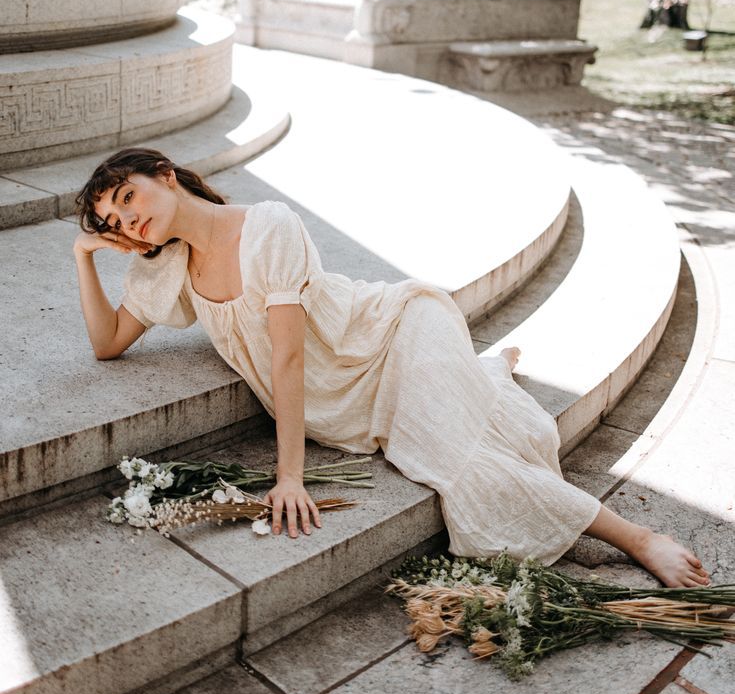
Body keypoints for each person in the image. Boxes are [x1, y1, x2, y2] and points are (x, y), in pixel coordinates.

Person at [73, 147, 710, 589]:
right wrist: (84, 256)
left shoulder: (266, 226)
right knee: (456, 429)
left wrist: (288, 476)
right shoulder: (165, 266)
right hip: (341, 404)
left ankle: (634, 537)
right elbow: (107, 342)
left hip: (390, 334)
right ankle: (486, 375)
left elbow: (289, 353)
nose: (129, 219)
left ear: (164, 174)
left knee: (457, 461)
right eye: (116, 220)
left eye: (130, 197)